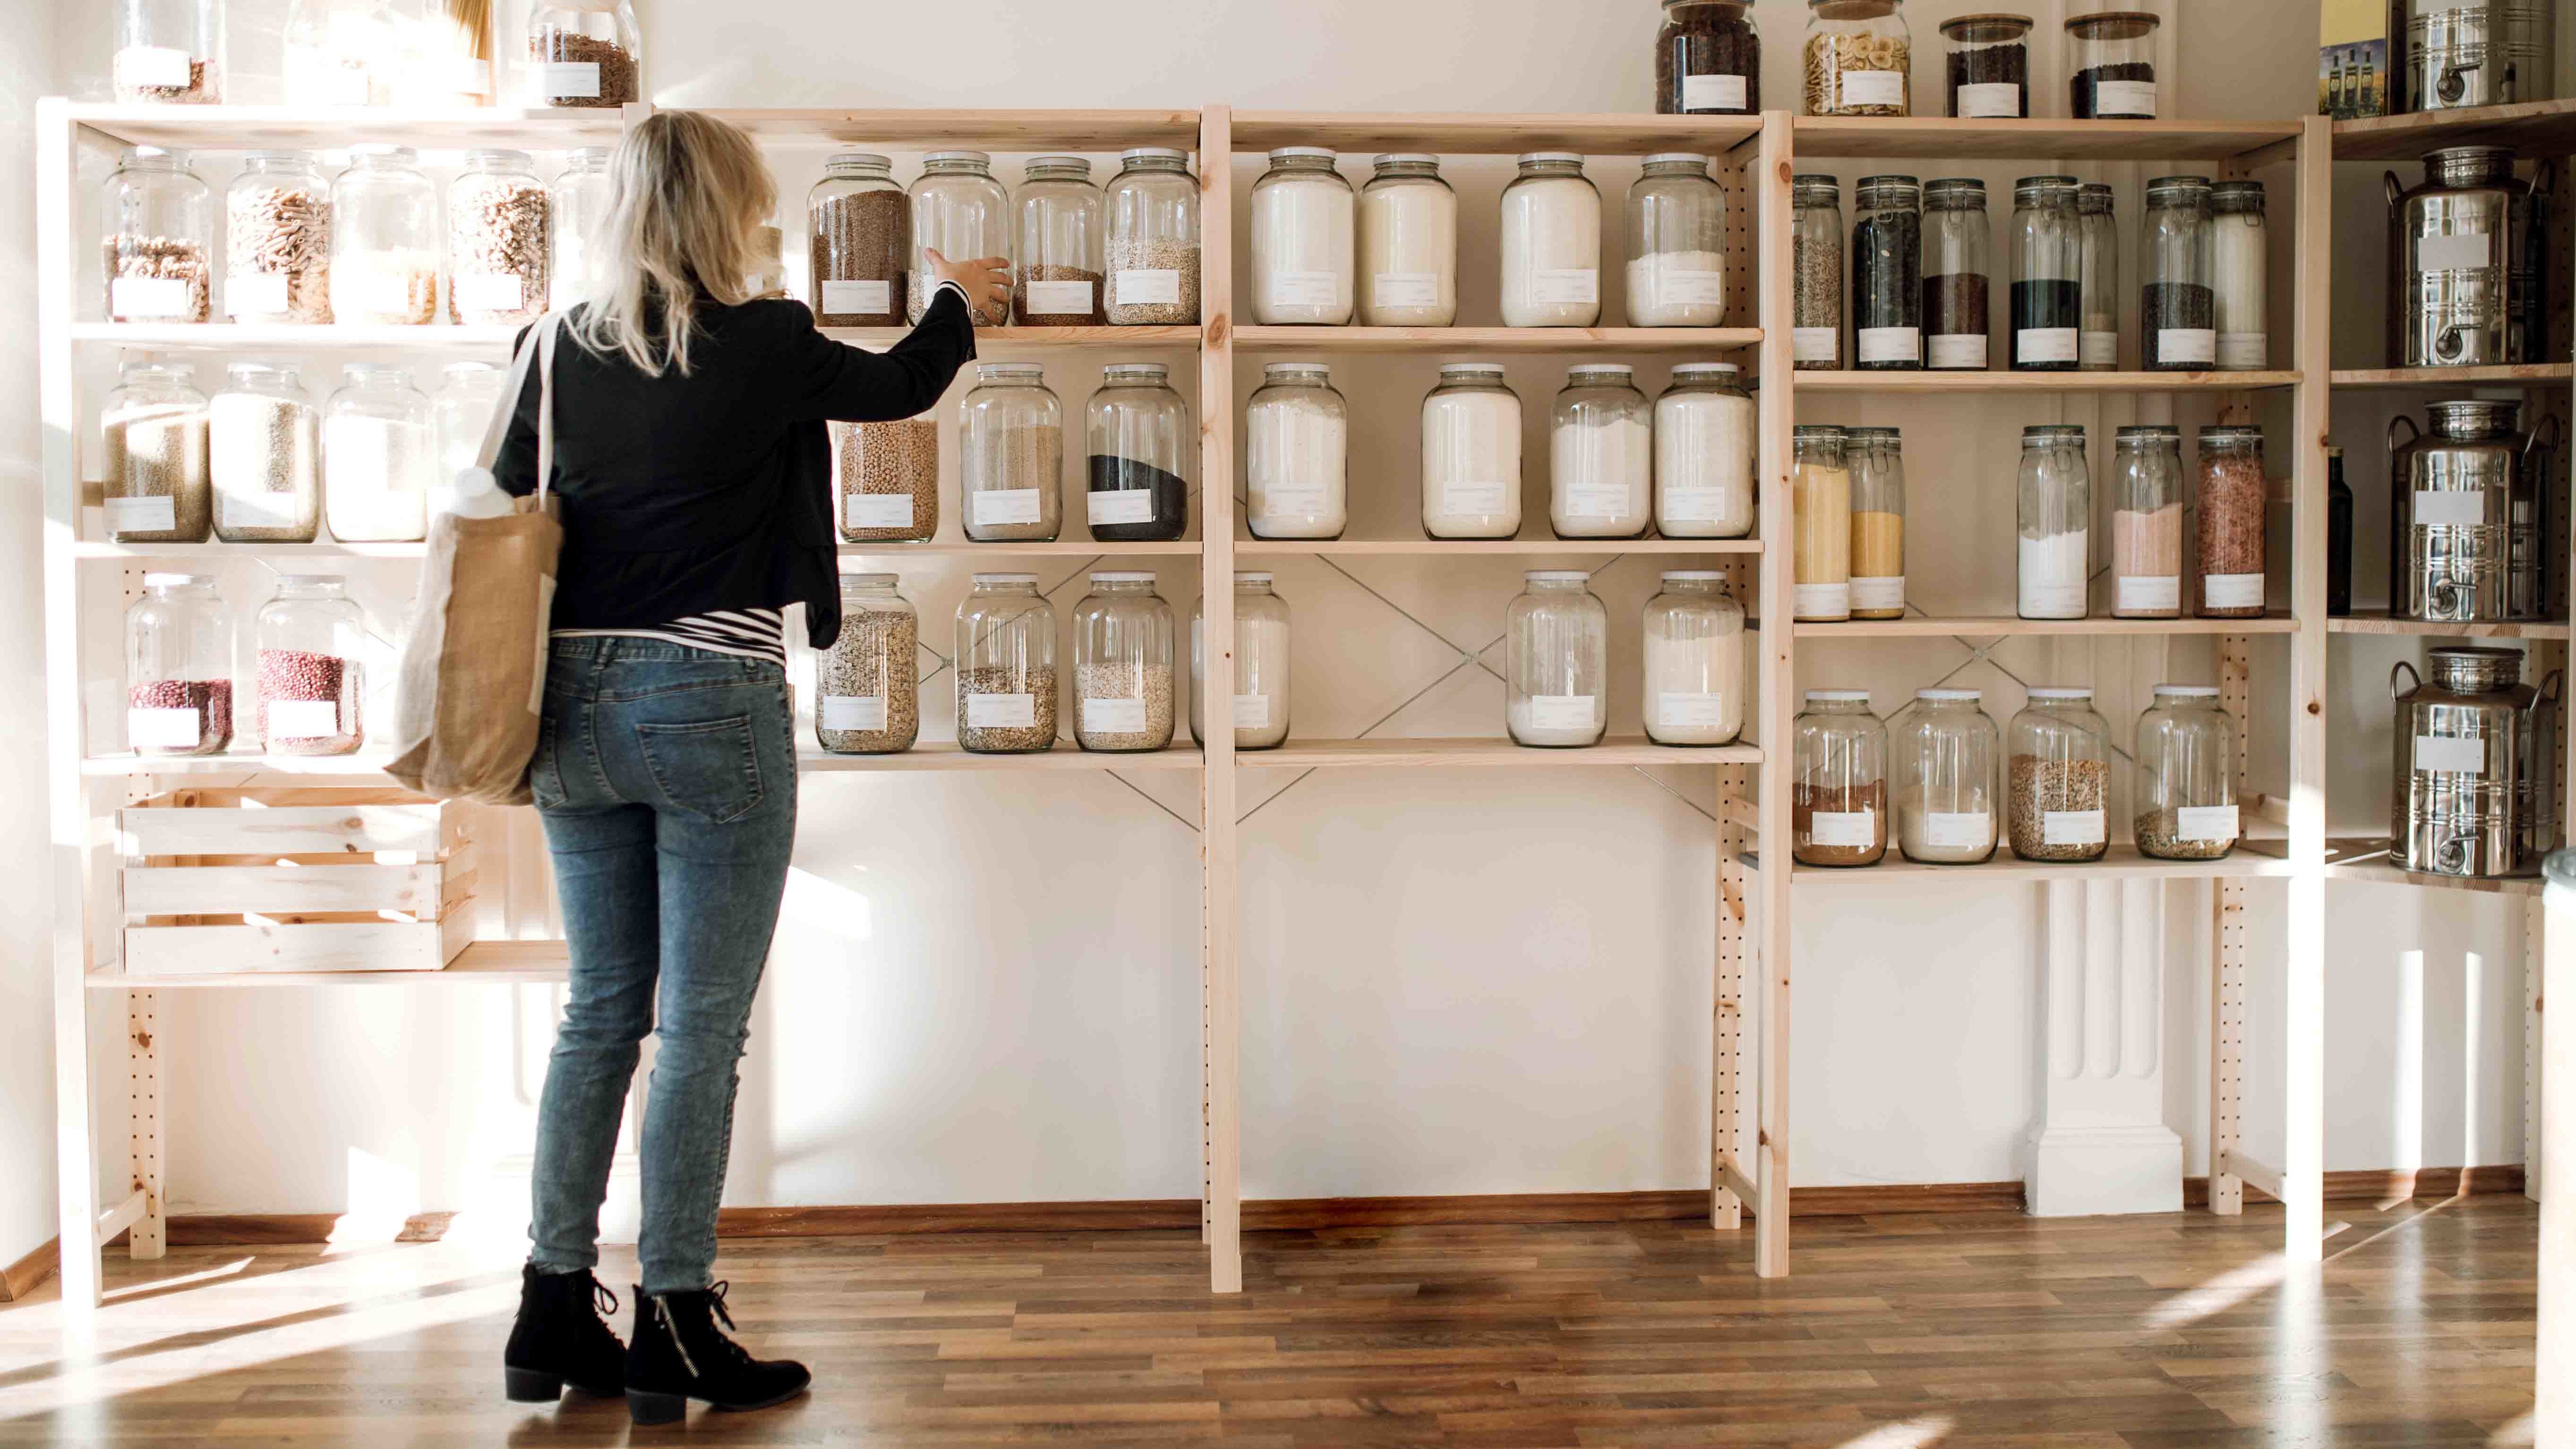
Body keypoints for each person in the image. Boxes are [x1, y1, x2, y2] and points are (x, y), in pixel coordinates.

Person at [488, 110, 1005, 1425]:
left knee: (600, 1010)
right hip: (707, 699)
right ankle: (674, 1315)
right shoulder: (765, 338)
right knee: (701, 1027)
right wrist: (959, 300)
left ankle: (552, 1302)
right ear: (728, 210)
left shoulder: (550, 348)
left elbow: (500, 497)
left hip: (566, 707)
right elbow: (902, 386)